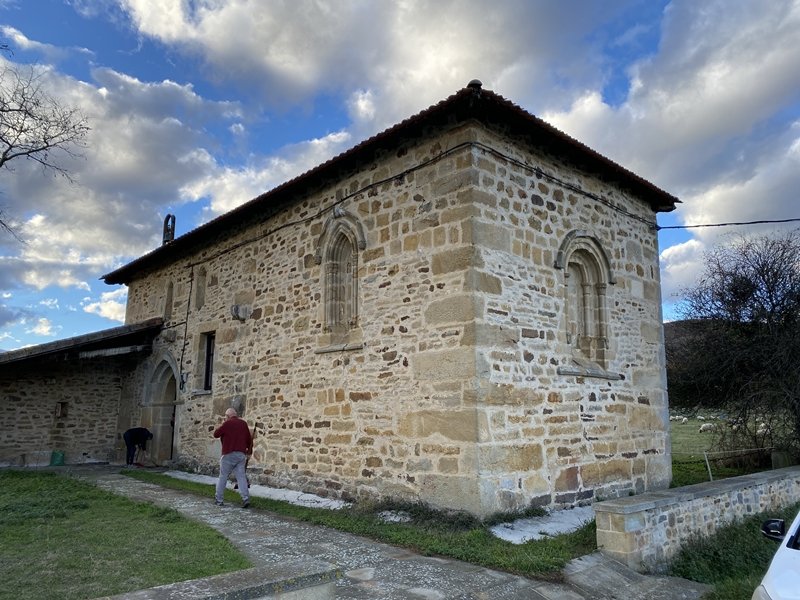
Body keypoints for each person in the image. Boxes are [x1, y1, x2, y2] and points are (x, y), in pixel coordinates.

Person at [213, 407, 252, 508]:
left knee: (223, 476)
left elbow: (216, 434)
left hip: (228, 454)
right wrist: (249, 452)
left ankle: (219, 500)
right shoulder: (243, 424)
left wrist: (223, 424)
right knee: (241, 477)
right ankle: (245, 499)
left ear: (227, 416)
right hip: (241, 454)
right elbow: (249, 440)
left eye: (225, 417)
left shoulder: (227, 423)